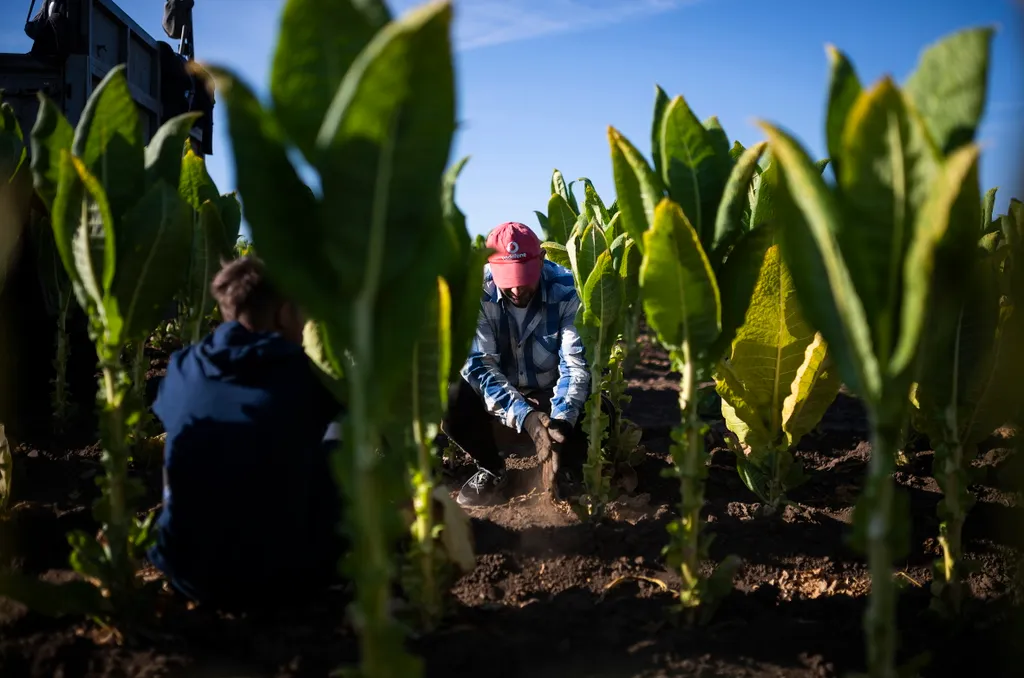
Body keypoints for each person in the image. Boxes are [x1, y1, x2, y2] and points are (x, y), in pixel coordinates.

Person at [147, 255, 345, 611]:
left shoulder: (182, 366)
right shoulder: (302, 376)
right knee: (339, 436)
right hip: (281, 580)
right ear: (285, 313)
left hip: (185, 571)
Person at [444, 221, 601, 507]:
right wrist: (527, 418)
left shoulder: (566, 290)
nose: (516, 288)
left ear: (541, 260)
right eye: (508, 278)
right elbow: (480, 368)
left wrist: (562, 422)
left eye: (524, 276)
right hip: (497, 408)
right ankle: (492, 469)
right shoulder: (477, 293)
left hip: (549, 400)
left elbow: (574, 365)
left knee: (598, 404)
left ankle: (565, 468)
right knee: (450, 395)